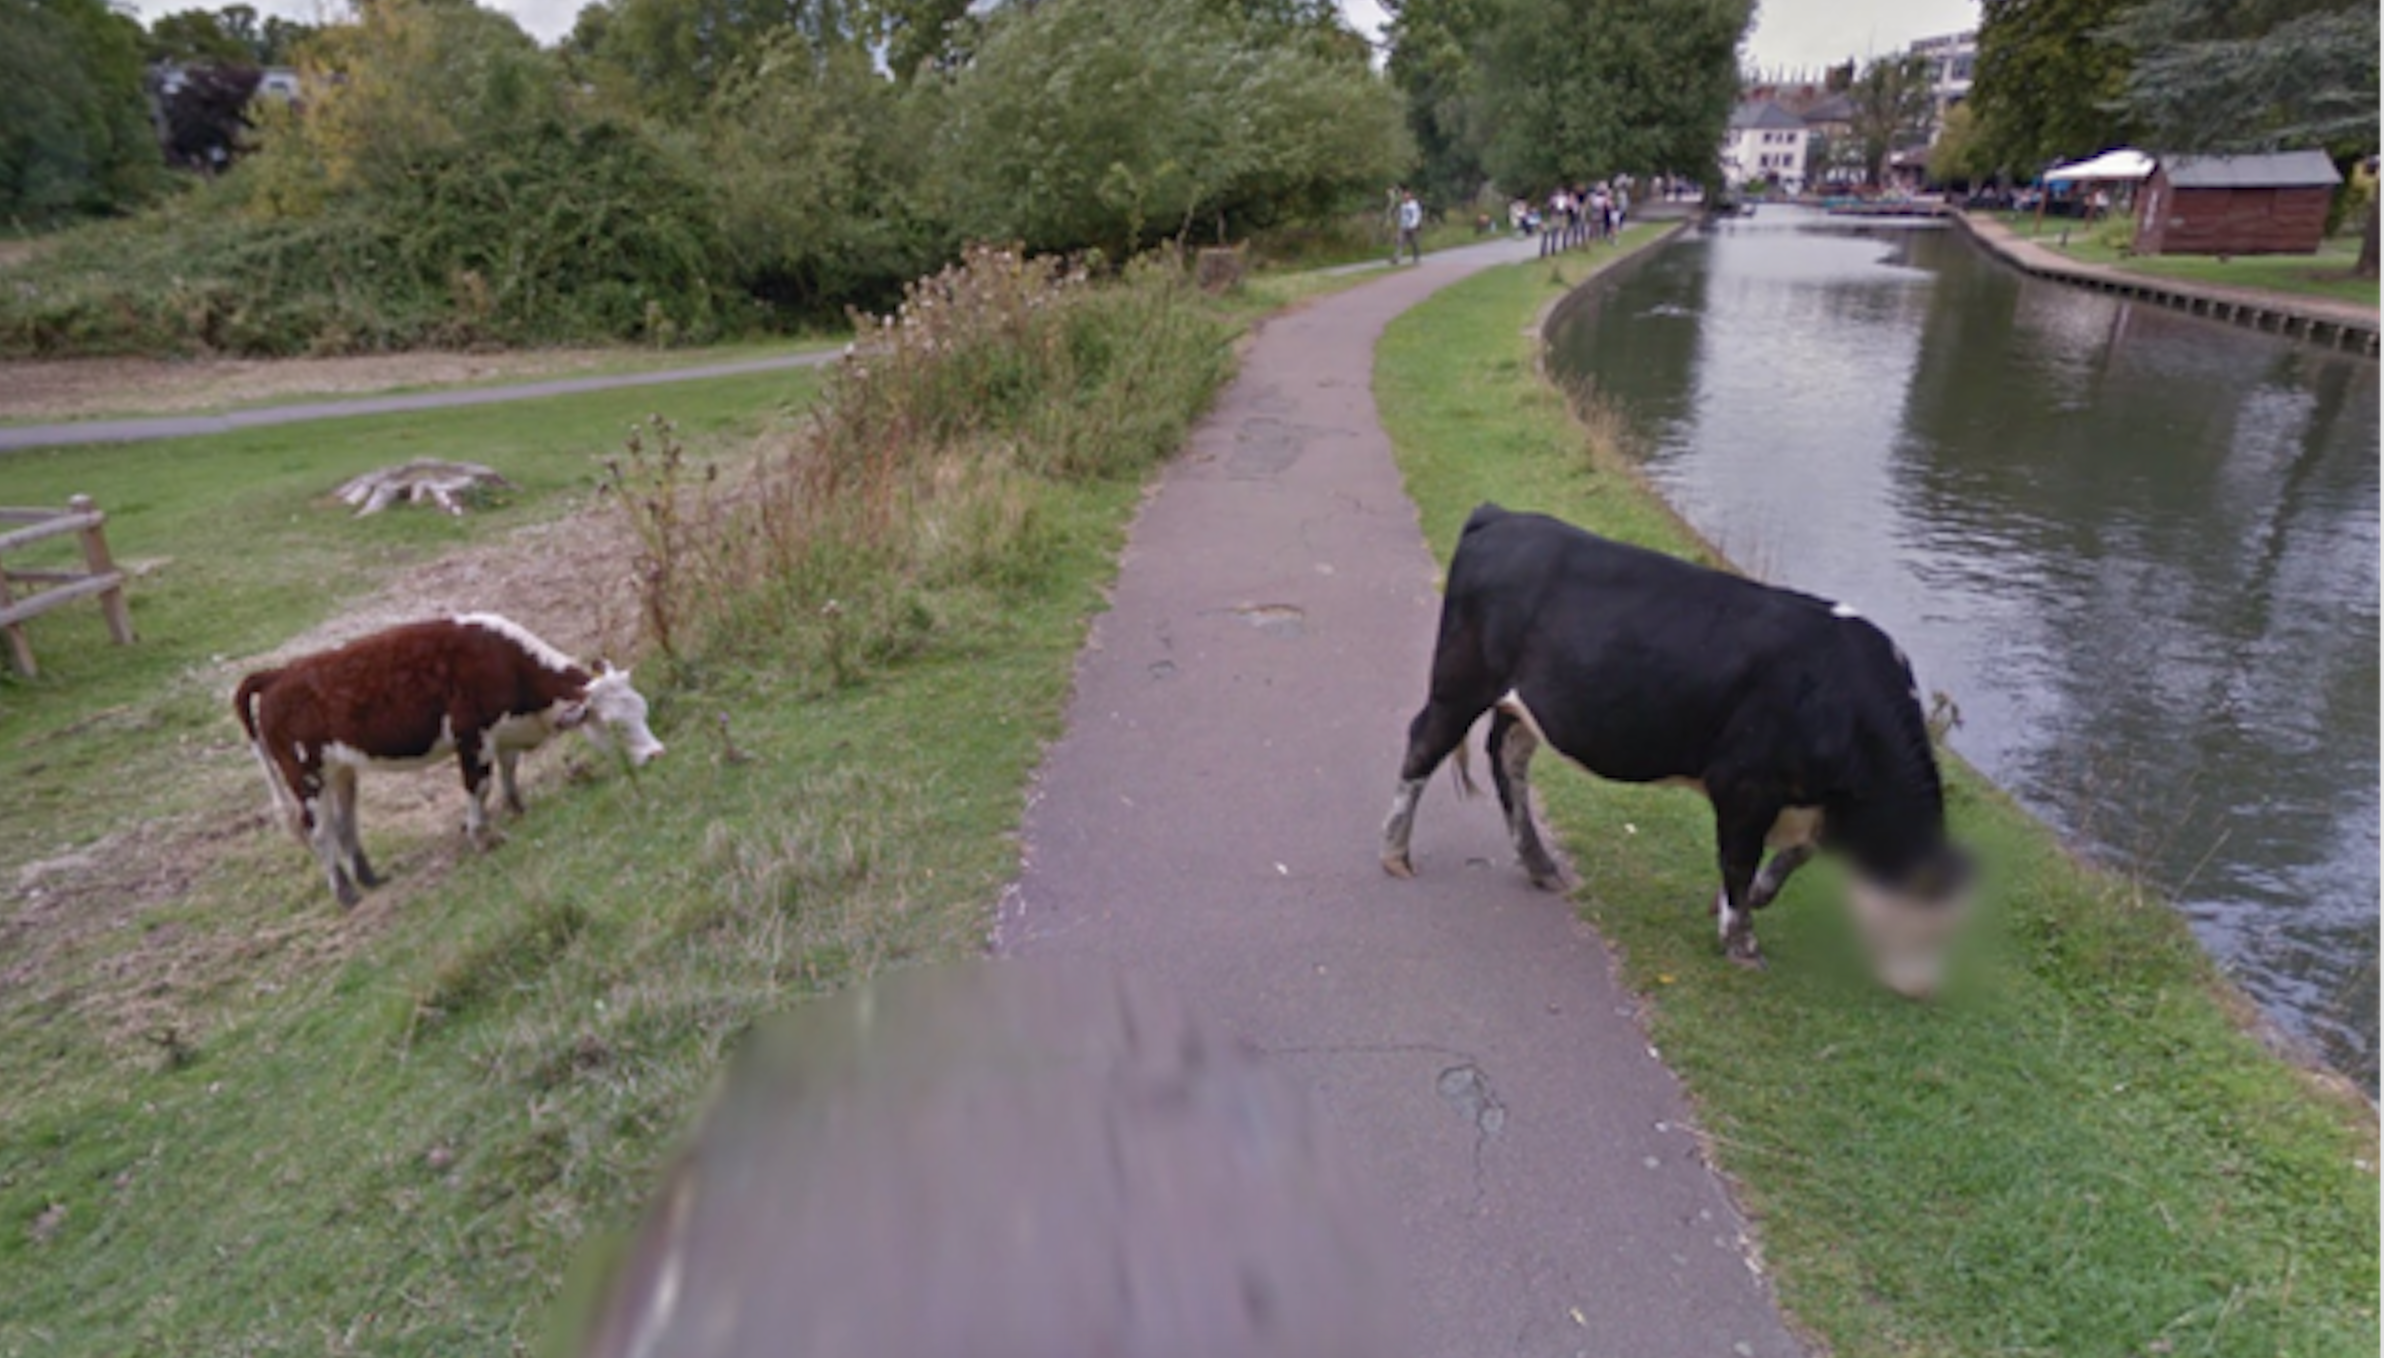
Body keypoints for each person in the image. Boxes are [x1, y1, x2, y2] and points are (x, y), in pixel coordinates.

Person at [1394, 188, 1424, 265]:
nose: (1405, 197)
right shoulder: (1402, 205)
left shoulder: (1414, 205)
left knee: (1414, 243)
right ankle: (1397, 258)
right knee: (1400, 241)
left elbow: (1416, 215)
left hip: (1412, 226)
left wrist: (1413, 225)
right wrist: (1400, 224)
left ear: (1410, 196)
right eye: (1404, 195)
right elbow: (1401, 216)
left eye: (1407, 195)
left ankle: (1416, 257)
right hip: (1403, 226)